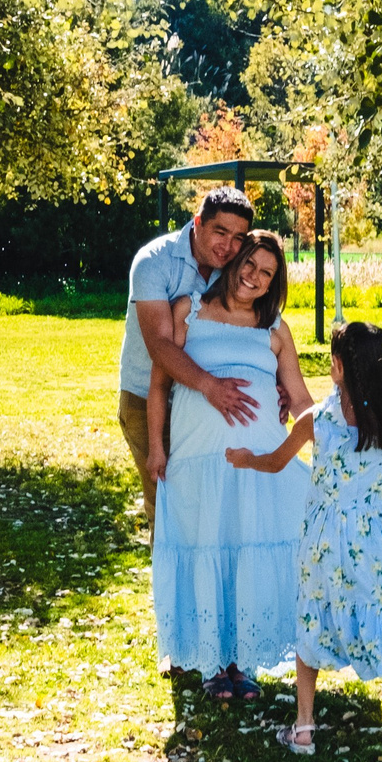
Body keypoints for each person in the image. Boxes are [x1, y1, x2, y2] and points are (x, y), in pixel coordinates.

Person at [227, 319, 382, 752]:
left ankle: (303, 727)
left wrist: (245, 459)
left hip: (323, 541)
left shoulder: (319, 422)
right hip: (375, 538)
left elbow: (276, 461)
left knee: (312, 619)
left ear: (337, 366)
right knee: (381, 613)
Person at [147, 231, 313, 702]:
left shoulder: (275, 329)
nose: (254, 277)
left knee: (245, 553)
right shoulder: (188, 311)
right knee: (207, 548)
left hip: (258, 467)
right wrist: (156, 448)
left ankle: (240, 662)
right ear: (234, 259)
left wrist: (331, 438)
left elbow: (299, 398)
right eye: (249, 264)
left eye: (266, 273)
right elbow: (160, 385)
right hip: (199, 461)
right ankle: (210, 665)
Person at [118, 188, 258, 532]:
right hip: (146, 399)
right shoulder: (154, 261)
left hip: (204, 406)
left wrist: (278, 387)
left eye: (238, 237)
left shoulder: (237, 268)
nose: (227, 246)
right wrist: (210, 386)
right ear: (198, 223)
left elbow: (252, 329)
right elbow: (161, 347)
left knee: (209, 511)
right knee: (168, 512)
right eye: (220, 232)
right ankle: (169, 587)